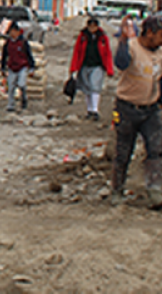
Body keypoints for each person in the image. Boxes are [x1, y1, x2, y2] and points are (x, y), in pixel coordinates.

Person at [110, 15, 162, 208]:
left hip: (151, 109)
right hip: (127, 108)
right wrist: (123, 38)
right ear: (150, 33)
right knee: (123, 152)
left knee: (156, 150)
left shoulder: (160, 53)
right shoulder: (131, 47)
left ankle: (155, 189)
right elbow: (121, 63)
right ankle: (117, 190)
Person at [69, 17, 114, 121]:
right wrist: (73, 67)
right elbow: (77, 52)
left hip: (98, 65)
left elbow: (108, 53)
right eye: (90, 26)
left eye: (94, 26)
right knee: (87, 88)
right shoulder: (82, 37)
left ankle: (95, 110)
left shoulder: (103, 38)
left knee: (95, 86)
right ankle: (89, 110)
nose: (92, 28)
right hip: (84, 65)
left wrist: (109, 69)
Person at [0, 21, 36, 112]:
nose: (12, 33)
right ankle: (11, 105)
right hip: (12, 67)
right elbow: (4, 56)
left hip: (22, 67)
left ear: (17, 31)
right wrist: (2, 68)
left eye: (13, 31)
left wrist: (32, 67)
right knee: (11, 87)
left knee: (21, 84)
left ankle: (23, 98)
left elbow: (29, 55)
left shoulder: (23, 42)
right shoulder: (8, 43)